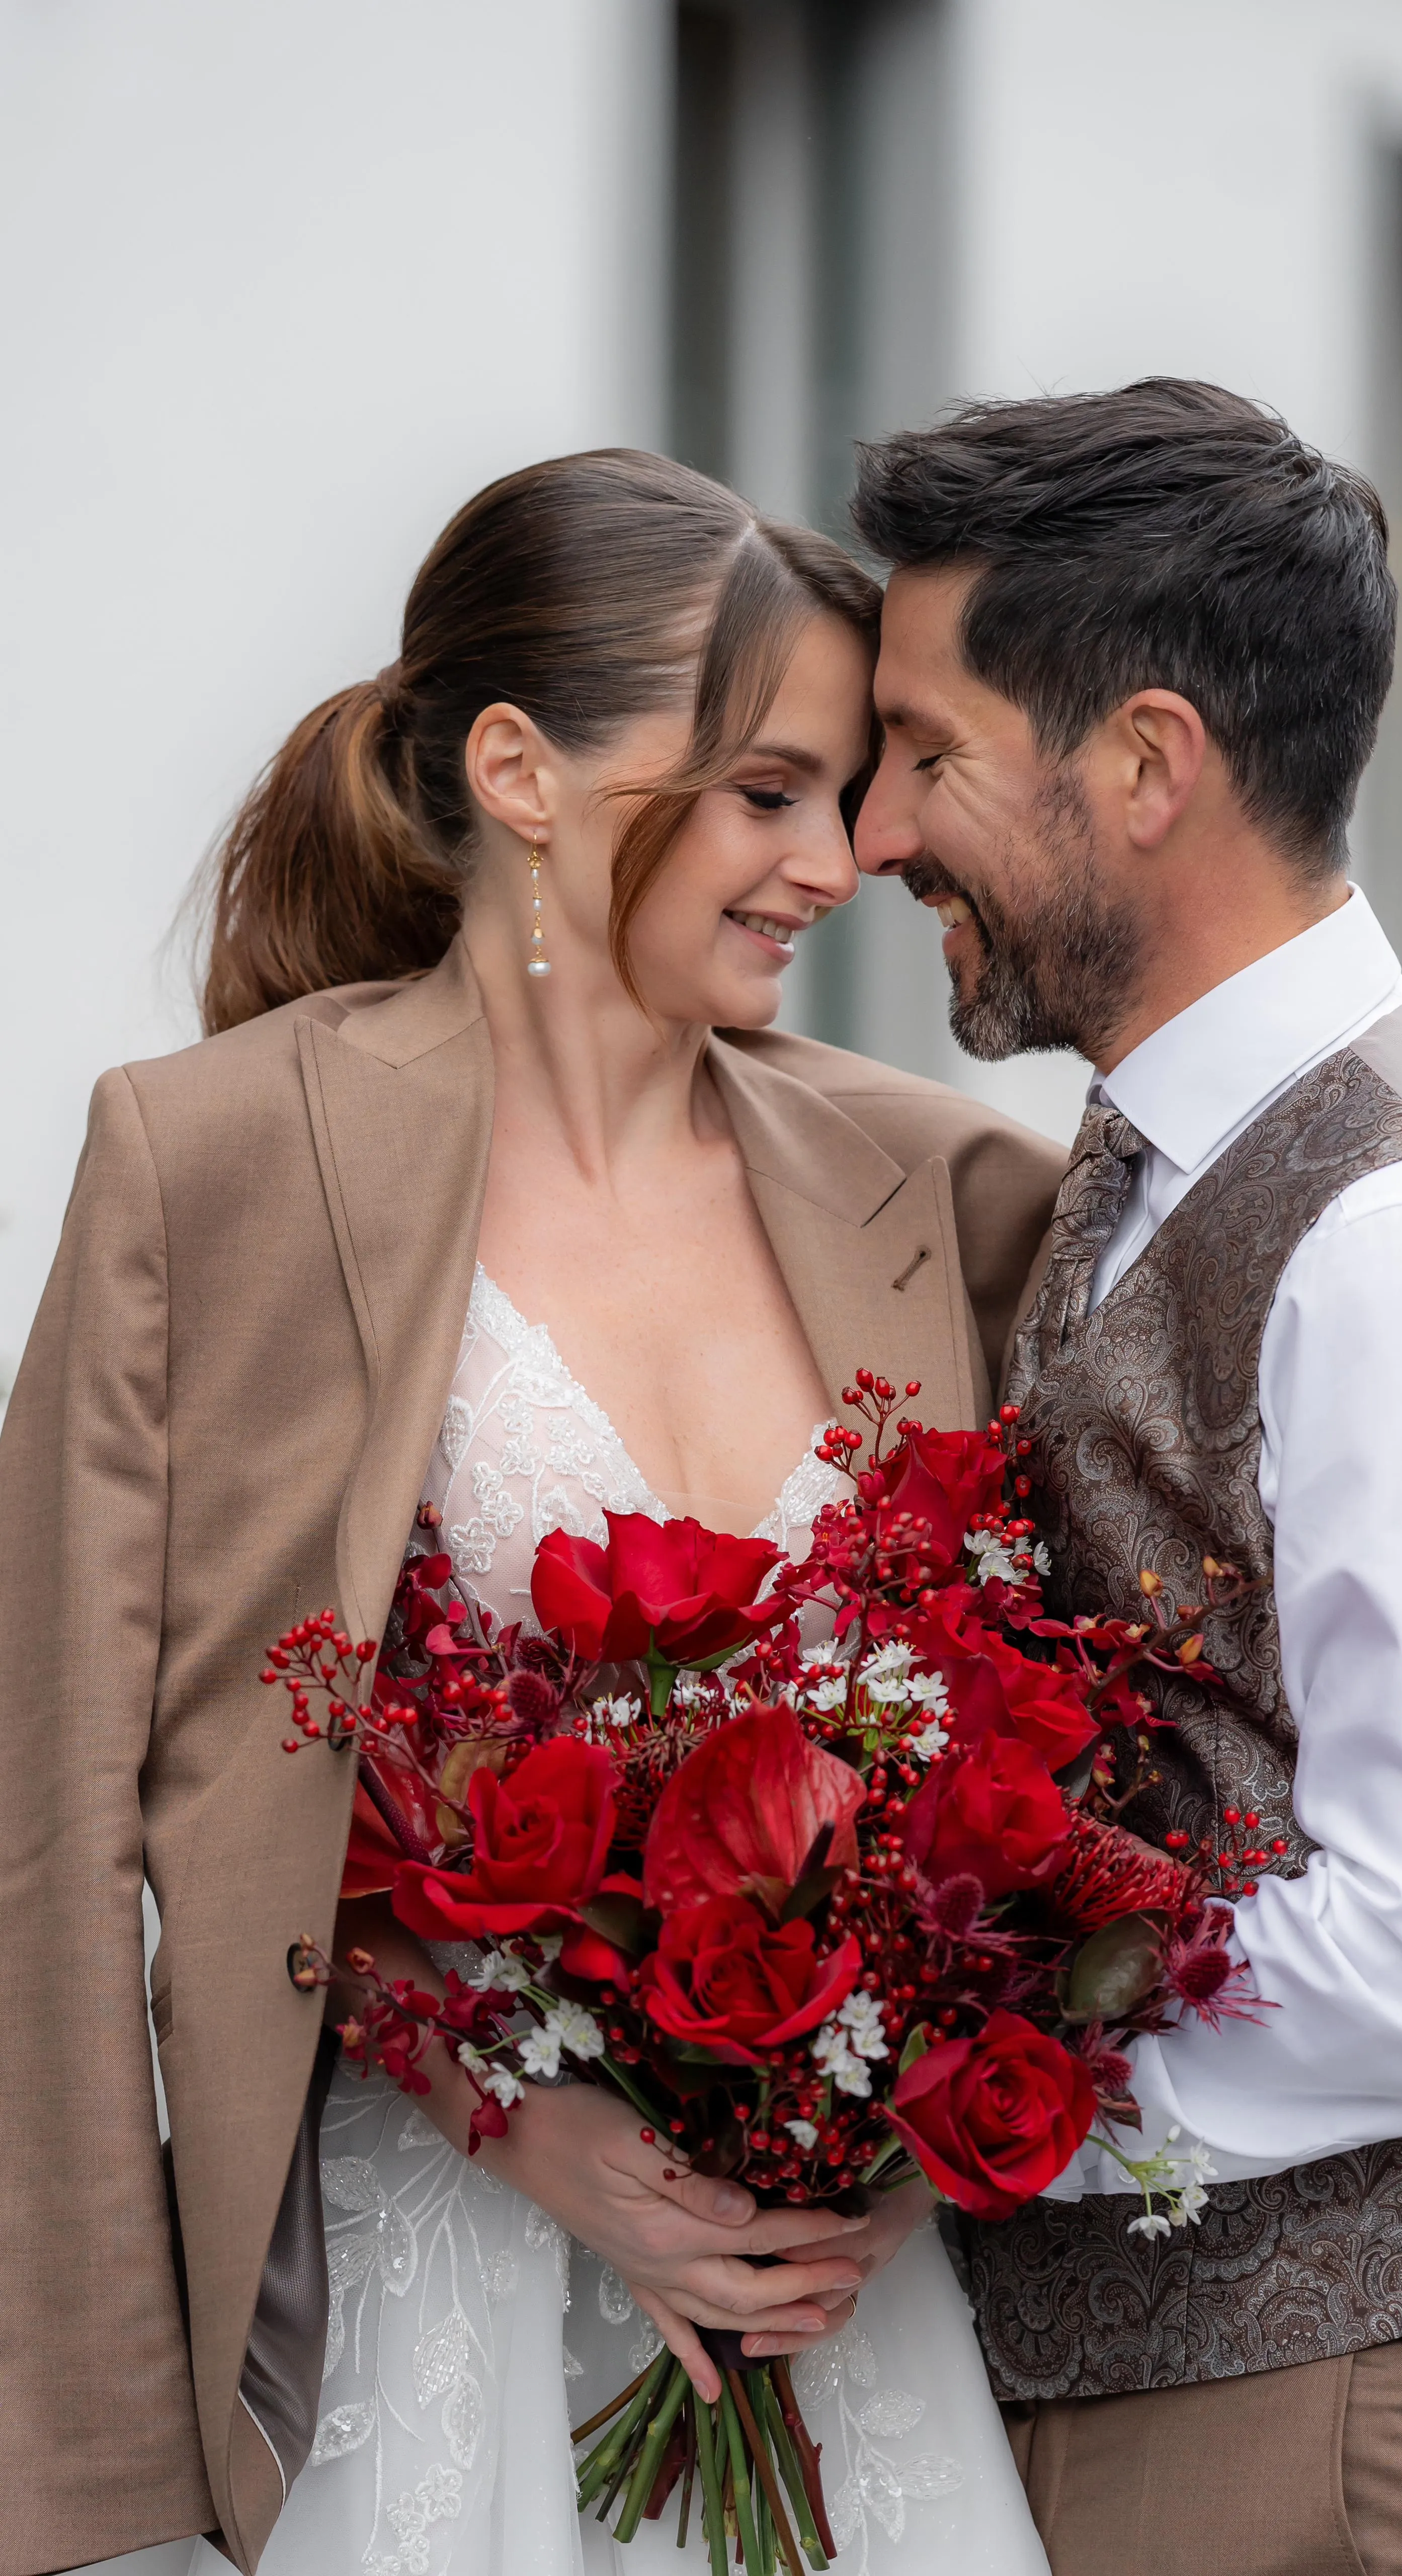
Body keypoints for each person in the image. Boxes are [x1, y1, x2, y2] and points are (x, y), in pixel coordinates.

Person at [0, 450, 1061, 2576]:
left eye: (845, 794)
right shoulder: (211, 1168)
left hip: (849, 2343)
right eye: (764, 788)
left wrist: (869, 2105)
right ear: (520, 770)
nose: (834, 858)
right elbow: (60, 1828)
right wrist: (103, 2480)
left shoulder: (950, 1188)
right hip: (409, 2333)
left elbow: (1019, 1748)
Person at [849, 378, 1402, 2574]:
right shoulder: (1152, 1167)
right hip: (1198, 2405)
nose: (869, 833)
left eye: (925, 751)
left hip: (1390, 2442)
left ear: (1145, 765)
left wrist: (962, 2107)